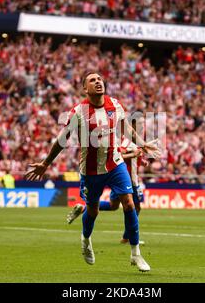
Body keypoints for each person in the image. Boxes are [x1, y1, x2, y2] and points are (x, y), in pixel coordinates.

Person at [25, 72, 160, 272]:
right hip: (90, 171)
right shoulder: (78, 112)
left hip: (115, 164)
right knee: (93, 210)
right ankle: (86, 239)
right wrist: (46, 163)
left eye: (99, 79)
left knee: (129, 203)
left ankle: (135, 254)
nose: (98, 82)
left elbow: (125, 130)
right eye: (92, 80)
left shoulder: (115, 104)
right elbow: (62, 140)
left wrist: (142, 143)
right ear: (84, 89)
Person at [66, 112, 148, 245]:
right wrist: (134, 154)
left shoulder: (134, 140)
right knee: (135, 207)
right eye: (139, 123)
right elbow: (118, 155)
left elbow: (133, 154)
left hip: (123, 178)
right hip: (126, 179)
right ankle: (127, 237)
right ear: (132, 124)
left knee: (113, 205)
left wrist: (140, 160)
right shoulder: (127, 140)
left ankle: (83, 208)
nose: (142, 126)